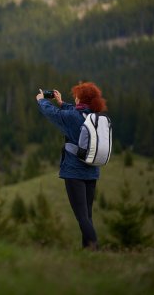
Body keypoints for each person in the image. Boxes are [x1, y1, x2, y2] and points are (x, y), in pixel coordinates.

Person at [36, 82, 107, 250]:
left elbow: (52, 113)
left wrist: (41, 100)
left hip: (74, 172)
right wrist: (61, 103)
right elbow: (74, 112)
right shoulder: (93, 116)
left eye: (76, 95)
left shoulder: (72, 118)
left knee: (81, 216)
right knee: (87, 215)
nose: (74, 97)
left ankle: (95, 250)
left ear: (80, 99)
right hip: (92, 171)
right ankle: (88, 252)